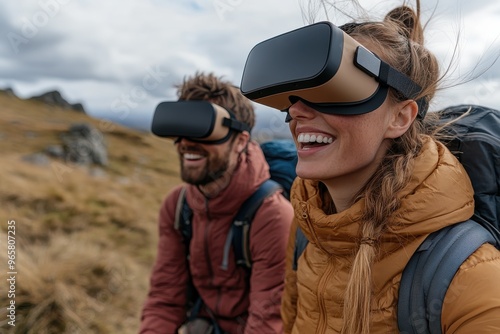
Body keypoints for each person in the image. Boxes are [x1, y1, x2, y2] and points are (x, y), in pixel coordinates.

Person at [239, 2, 500, 333]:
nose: (298, 111)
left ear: (400, 117)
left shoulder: (470, 278)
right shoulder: (310, 225)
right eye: (295, 96)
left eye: (333, 90)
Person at [139, 72, 293, 334]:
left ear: (240, 141)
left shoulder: (272, 215)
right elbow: (166, 299)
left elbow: (268, 321)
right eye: (181, 130)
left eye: (202, 130)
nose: (186, 142)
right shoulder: (178, 206)